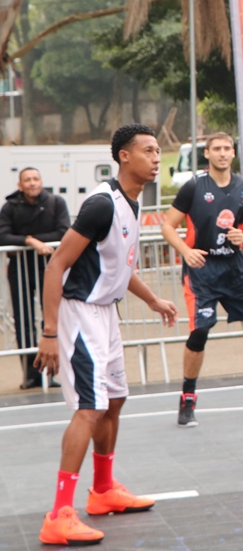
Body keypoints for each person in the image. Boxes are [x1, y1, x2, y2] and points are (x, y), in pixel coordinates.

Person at [33, 124, 178, 547]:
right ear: (124, 156)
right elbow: (56, 265)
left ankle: (102, 490)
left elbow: (119, 266)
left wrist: (153, 299)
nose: (156, 158)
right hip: (80, 313)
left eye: (158, 151)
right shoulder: (102, 204)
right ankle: (59, 515)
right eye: (148, 151)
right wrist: (48, 332)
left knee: (115, 400)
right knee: (90, 408)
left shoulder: (133, 202)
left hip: (105, 314)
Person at [161, 132, 243, 427]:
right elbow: (168, 226)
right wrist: (185, 251)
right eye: (216, 148)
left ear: (233, 153)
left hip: (234, 269)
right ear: (207, 154)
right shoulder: (194, 186)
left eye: (227, 148)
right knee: (200, 332)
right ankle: (187, 398)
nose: (222, 153)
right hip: (202, 269)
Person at [0, 167, 70, 389]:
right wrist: (31, 242)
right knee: (23, 322)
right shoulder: (10, 207)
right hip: (20, 270)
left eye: (36, 179)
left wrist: (33, 241)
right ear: (20, 185)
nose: (32, 183)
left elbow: (64, 232)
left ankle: (51, 373)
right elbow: (2, 236)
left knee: (52, 319)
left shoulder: (55, 203)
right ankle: (31, 375)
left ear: (41, 181)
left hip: (50, 268)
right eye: (27, 180)